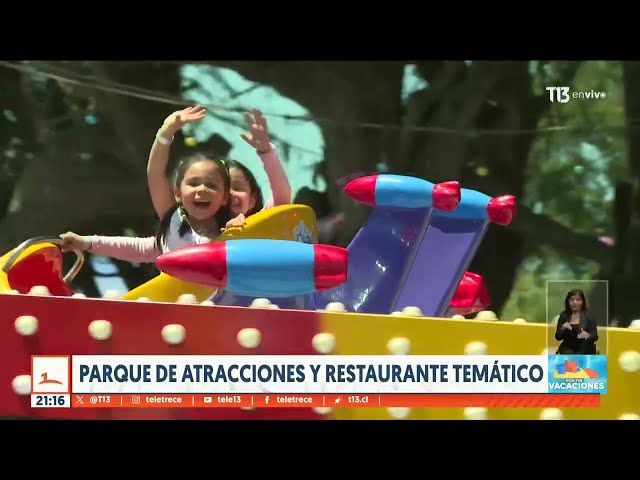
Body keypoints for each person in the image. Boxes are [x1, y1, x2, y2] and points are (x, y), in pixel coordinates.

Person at [554, 288, 599, 355]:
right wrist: (563, 328)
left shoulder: (589, 315)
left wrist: (587, 335)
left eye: (578, 300)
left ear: (582, 302)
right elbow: (558, 337)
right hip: (567, 351)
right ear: (568, 301)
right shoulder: (564, 315)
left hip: (585, 351)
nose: (575, 302)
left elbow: (595, 336)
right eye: (572, 300)